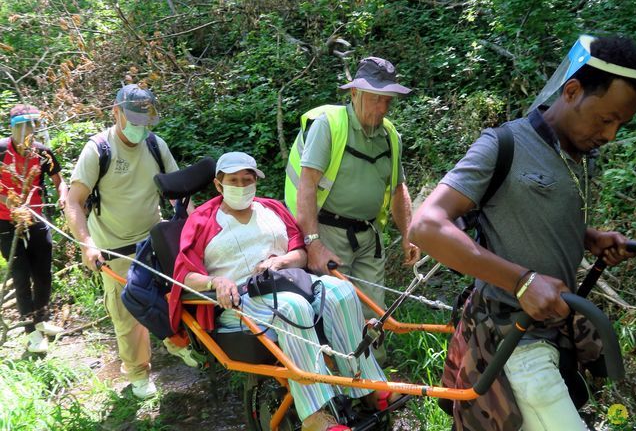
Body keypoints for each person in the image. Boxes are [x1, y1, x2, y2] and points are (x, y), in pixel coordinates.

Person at [408, 35, 636, 431]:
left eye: (622, 123)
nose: (611, 135)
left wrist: (589, 236)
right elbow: (426, 226)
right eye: (606, 119)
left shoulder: (580, 157)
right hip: (512, 337)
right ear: (571, 91)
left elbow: (531, 210)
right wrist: (521, 281)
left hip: (556, 335)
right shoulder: (504, 144)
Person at [169, 152, 399, 431]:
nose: (241, 186)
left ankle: (367, 384)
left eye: (247, 180)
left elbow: (300, 253)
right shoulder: (202, 220)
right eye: (233, 181)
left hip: (287, 280)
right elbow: (183, 276)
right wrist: (216, 282)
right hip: (239, 300)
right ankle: (315, 415)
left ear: (256, 182)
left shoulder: (272, 208)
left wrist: (280, 261)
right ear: (219, 185)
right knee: (293, 308)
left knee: (341, 291)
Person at [285, 57, 421, 362]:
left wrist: (409, 235)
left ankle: (374, 382)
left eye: (387, 100)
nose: (382, 108)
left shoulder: (391, 137)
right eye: (375, 98)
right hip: (328, 234)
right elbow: (307, 186)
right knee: (336, 312)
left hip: (369, 237)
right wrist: (313, 243)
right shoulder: (329, 127)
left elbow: (398, 190)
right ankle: (340, 385)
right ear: (355, 94)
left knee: (375, 312)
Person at [66, 84, 181, 399]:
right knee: (127, 315)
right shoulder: (98, 149)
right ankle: (139, 375)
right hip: (113, 246)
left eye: (145, 119)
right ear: (116, 112)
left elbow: (177, 193)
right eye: (132, 117)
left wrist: (190, 227)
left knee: (174, 297)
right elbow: (74, 201)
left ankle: (179, 346)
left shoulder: (156, 145)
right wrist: (87, 244)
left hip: (154, 239)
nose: (139, 125)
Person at [0, 104, 67, 353]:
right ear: (13, 127)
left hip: (37, 219)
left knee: (43, 273)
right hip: (6, 222)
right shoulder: (1, 150)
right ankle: (30, 332)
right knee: (21, 274)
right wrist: (10, 202)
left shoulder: (42, 153)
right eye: (21, 126)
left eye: (31, 125)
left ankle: (42, 320)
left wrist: (63, 196)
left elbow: (60, 182)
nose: (27, 131)